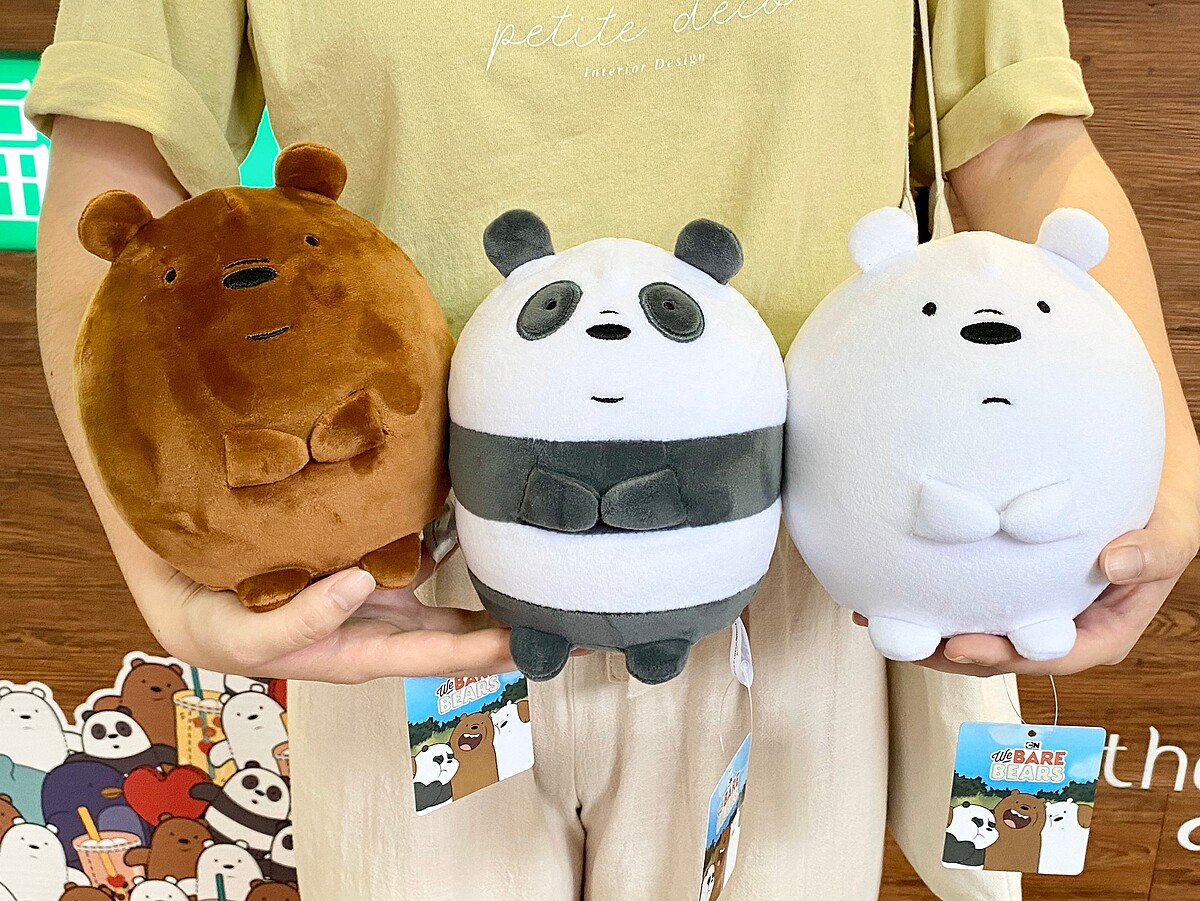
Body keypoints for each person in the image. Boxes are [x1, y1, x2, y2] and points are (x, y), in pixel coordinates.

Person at [27, 1, 1198, 899]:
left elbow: (1018, 144)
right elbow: (119, 173)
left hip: (796, 555)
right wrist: (169, 562)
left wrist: (1155, 473)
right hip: (395, 572)